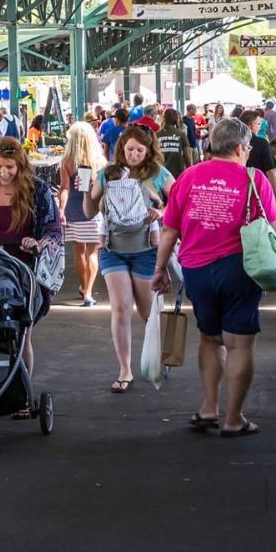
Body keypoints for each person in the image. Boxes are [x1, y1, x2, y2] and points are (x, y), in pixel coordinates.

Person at [152, 118, 276, 437]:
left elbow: (169, 229)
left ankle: (209, 408)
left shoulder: (188, 177)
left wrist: (160, 269)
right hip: (240, 268)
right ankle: (234, 419)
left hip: (196, 269)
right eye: (248, 147)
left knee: (209, 337)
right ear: (239, 147)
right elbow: (273, 229)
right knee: (239, 343)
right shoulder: (255, 178)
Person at [83, 126, 174, 393]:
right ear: (121, 147)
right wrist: (86, 191)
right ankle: (125, 369)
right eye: (129, 149)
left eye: (140, 150)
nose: (133, 154)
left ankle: (158, 356)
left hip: (147, 250)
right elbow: (89, 213)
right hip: (112, 249)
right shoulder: (107, 173)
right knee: (120, 308)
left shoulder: (158, 173)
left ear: (149, 151)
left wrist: (162, 212)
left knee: (148, 312)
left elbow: (180, 199)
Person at [0, 136, 63, 377]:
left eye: (9, 167)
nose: (4, 172)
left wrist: (38, 243)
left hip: (23, 270)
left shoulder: (38, 191)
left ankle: (22, 390)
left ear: (20, 164)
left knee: (21, 331)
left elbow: (53, 229)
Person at [58, 122, 107, 307]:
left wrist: (61, 210)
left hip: (73, 210)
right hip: (93, 211)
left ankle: (83, 285)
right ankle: (88, 291)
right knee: (93, 252)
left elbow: (64, 188)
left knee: (79, 250)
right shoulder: (99, 161)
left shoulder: (67, 161)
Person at [240, 110, 276, 198]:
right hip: (259, 189)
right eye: (259, 124)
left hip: (239, 189)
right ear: (252, 125)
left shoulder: (234, 142)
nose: (260, 127)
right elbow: (271, 170)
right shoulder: (262, 143)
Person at [157, 108, 194, 179]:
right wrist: (190, 172)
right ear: (176, 119)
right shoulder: (181, 134)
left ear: (163, 118)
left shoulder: (157, 135)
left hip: (161, 172)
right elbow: (187, 156)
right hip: (178, 172)